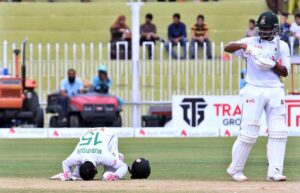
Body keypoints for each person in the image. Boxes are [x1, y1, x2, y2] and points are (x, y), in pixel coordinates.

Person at [224, 11, 290, 182]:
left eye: (268, 28)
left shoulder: (282, 45)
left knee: (279, 131)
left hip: (275, 89)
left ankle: (275, 172)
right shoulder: (250, 41)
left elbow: (285, 72)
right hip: (254, 89)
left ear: (275, 29)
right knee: (249, 132)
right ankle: (235, 169)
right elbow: (227, 48)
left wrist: (272, 64)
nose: (264, 31)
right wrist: (245, 47)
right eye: (261, 28)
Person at [60, 128, 128, 181]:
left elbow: (124, 166)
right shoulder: (76, 156)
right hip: (88, 132)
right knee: (77, 176)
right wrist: (67, 172)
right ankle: (77, 173)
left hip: (109, 134)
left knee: (110, 172)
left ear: (95, 169)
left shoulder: (104, 156)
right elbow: (65, 163)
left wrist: (116, 175)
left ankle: (118, 157)